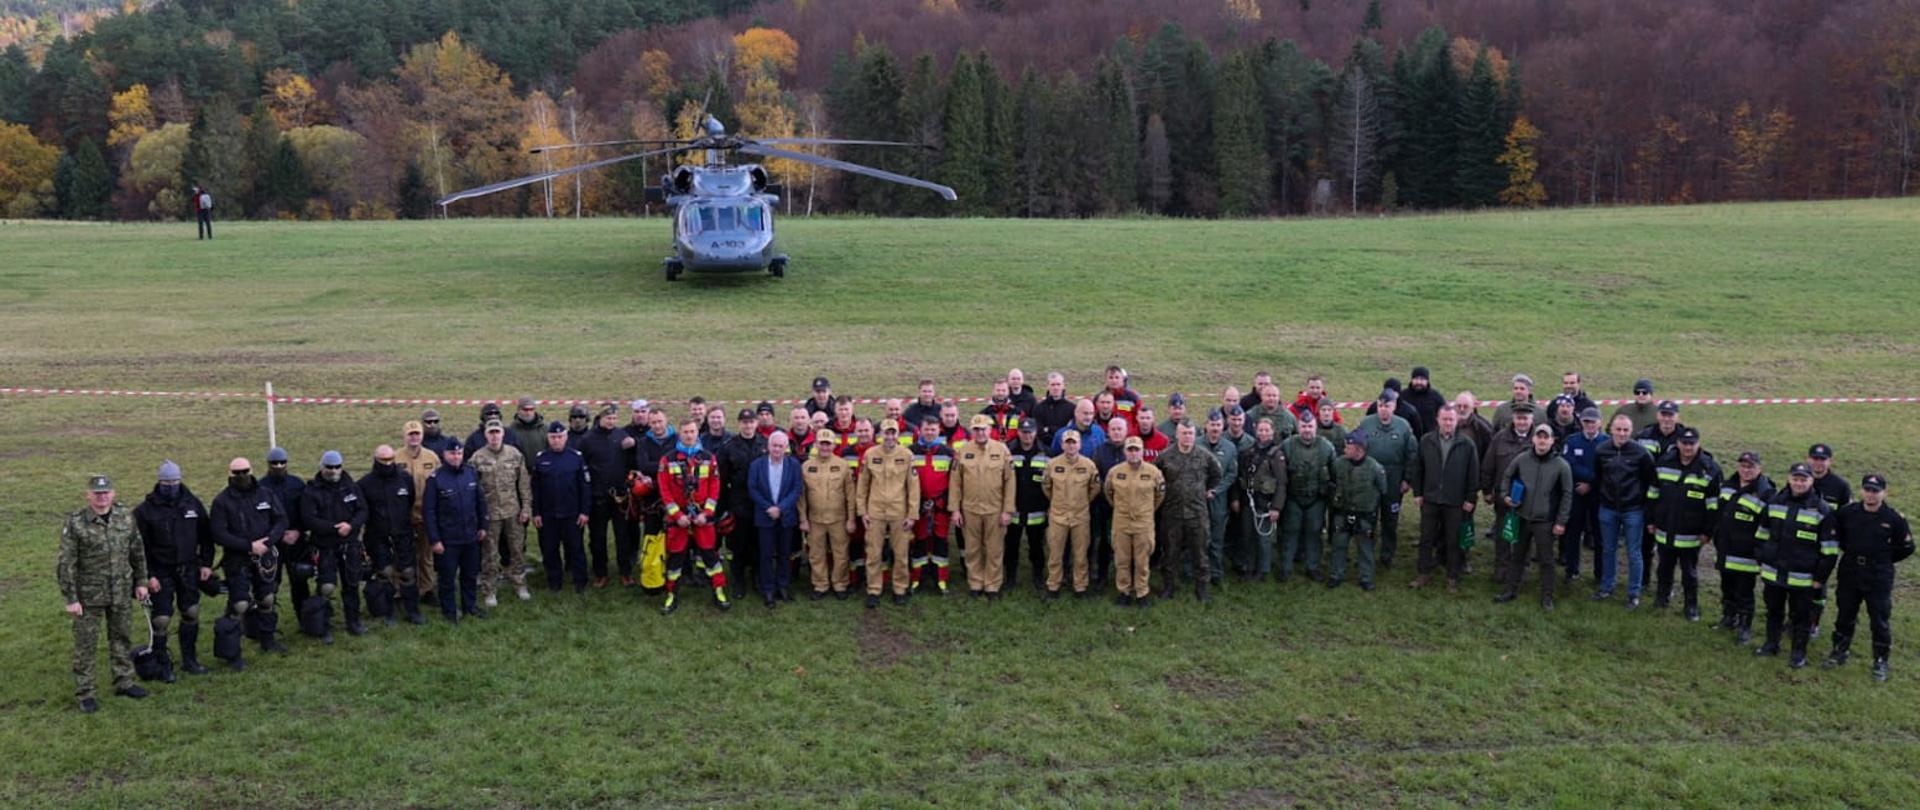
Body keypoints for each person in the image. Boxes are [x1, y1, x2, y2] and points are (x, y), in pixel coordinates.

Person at [59, 474, 153, 712]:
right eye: (97, 493)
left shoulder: (124, 516)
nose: (102, 497)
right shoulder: (76, 522)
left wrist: (141, 581)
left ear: (113, 493)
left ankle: (124, 681)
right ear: (88, 495)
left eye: (106, 492)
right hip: (88, 595)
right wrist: (71, 598)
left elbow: (137, 550)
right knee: (86, 645)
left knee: (121, 638)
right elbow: (66, 563)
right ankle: (85, 692)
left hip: (121, 590)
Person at [1825, 474, 1912, 681]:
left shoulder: (1894, 518)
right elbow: (1838, 536)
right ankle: (1839, 651)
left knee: (1879, 619)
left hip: (1878, 574)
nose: (1871, 494)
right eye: (1867, 489)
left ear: (1884, 493)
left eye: (1875, 490)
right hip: (1850, 570)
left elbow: (1907, 548)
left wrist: (1883, 560)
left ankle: (1880, 661)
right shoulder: (1848, 512)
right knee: (1845, 613)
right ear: (1862, 490)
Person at [133, 461, 213, 679]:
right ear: (159, 482)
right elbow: (137, 548)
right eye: (167, 482)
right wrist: (147, 576)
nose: (171, 485)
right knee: (161, 620)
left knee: (191, 612)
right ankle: (161, 664)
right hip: (159, 571)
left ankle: (190, 660)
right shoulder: (144, 511)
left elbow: (206, 535)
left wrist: (206, 563)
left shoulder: (193, 504)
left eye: (175, 481)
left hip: (188, 568)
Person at [1753, 463, 1837, 669]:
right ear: (1789, 479)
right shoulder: (1774, 502)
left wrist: (1819, 579)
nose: (1799, 483)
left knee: (1801, 617)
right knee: (1773, 611)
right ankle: (1771, 644)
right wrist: (1762, 559)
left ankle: (1798, 653)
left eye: (1803, 479)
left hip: (1804, 577)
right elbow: (1761, 534)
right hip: (1774, 573)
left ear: (1811, 481)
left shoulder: (1821, 509)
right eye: (1795, 479)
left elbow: (1829, 550)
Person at [210, 457, 290, 665]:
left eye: (245, 471)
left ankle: (268, 640)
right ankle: (231, 652)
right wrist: (248, 546)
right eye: (237, 473)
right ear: (230, 474)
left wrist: (269, 542)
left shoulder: (266, 494)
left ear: (251, 470)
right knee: (240, 604)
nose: (241, 476)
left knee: (267, 599)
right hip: (237, 559)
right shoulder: (222, 501)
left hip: (265, 557)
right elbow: (219, 533)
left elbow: (281, 520)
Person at [1647, 427, 1723, 620]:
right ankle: (1662, 598)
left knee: (1689, 573)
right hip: (1664, 529)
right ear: (1678, 443)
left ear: (1698, 444)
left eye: (1692, 443)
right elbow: (1653, 494)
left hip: (1691, 534)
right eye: (1684, 443)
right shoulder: (1663, 463)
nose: (1688, 447)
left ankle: (1691, 606)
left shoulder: (1710, 470)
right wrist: (1650, 520)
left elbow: (1713, 507)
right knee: (1664, 567)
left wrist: (1708, 532)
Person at [1495, 424, 1573, 608]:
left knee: (1546, 560)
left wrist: (1561, 522)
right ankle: (1511, 590)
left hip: (1545, 521)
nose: (1542, 441)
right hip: (1522, 517)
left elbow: (1567, 494)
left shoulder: (1562, 465)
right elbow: (1507, 476)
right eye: (1539, 437)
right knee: (1518, 556)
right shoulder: (1521, 459)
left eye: (1546, 437)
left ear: (1552, 440)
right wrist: (1505, 496)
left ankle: (1547, 596)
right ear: (1533, 439)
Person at [663, 419, 734, 614]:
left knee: (710, 555)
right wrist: (677, 515)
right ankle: (671, 594)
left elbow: (715, 488)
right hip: (679, 518)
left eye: (692, 431)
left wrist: (707, 513)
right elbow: (665, 491)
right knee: (675, 558)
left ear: (697, 433)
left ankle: (718, 591)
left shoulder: (709, 458)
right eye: (685, 432)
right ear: (680, 434)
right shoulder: (667, 460)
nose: (689, 435)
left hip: (703, 517)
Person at [299, 450, 368, 642]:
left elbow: (363, 510)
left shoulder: (351, 487)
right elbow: (308, 518)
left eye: (337, 466)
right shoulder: (312, 491)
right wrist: (333, 528)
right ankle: (324, 625)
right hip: (324, 545)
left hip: (350, 544)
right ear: (322, 467)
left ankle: (353, 621)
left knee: (352, 583)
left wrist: (351, 526)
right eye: (329, 467)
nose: (333, 470)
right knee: (326, 587)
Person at [1409, 406, 1479, 593]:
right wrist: (1418, 493)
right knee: (1426, 538)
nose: (1448, 423)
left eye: (1451, 420)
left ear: (1457, 422)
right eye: (1444, 419)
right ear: (1438, 420)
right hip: (1430, 499)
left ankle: (1452, 577)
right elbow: (1418, 469)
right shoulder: (1426, 441)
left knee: (1453, 540)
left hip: (1455, 501)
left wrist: (1471, 498)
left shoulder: (1467, 444)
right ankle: (1423, 574)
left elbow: (1473, 474)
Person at [1594, 414, 1657, 607]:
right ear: (1611, 429)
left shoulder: (1641, 453)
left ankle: (1633, 593)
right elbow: (1598, 477)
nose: (1621, 433)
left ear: (1631, 432)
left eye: (1625, 430)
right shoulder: (1601, 451)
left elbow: (1650, 481)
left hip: (1633, 510)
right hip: (1608, 509)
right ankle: (1606, 587)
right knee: (1608, 550)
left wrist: (1643, 506)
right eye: (1618, 429)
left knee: (1634, 553)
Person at [1712, 451, 1774, 645]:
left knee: (1745, 593)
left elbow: (1767, 526)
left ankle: (1745, 627)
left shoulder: (1766, 492)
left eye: (1751, 467)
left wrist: (1759, 552)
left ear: (1759, 468)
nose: (1746, 470)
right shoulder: (1728, 485)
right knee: (1726, 587)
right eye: (1743, 466)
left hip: (1747, 554)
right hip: (1725, 548)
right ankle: (1728, 618)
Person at [1156, 422, 1223, 602]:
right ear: (1177, 435)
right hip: (1172, 513)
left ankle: (1201, 588)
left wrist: (1207, 490)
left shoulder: (1204, 456)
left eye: (1191, 433)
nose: (1188, 437)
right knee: (1170, 553)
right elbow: (1156, 477)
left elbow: (1217, 474)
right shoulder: (1165, 456)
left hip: (1197, 513)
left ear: (1195, 435)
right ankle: (1168, 587)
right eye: (1184, 433)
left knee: (1200, 553)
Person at [950, 415, 1015, 598]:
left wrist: (1007, 510)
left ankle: (993, 585)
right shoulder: (963, 451)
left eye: (983, 429)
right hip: (970, 510)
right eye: (976, 429)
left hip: (995, 509)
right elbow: (955, 483)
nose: (980, 433)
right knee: (972, 549)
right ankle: (975, 583)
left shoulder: (1001, 450)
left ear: (990, 429)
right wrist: (955, 509)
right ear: (971, 431)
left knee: (994, 550)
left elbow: (1010, 482)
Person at [857, 420, 920, 608]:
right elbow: (862, 485)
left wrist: (912, 515)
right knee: (873, 553)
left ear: (898, 435)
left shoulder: (907, 455)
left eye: (893, 433)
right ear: (880, 435)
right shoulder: (870, 454)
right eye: (887, 433)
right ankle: (873, 590)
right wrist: (862, 511)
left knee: (900, 554)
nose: (890, 437)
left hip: (899, 512)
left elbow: (913, 488)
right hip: (875, 511)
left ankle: (900, 588)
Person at [424, 439, 487, 623]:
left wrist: (483, 526)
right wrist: (435, 540)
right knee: (447, 578)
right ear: (445, 455)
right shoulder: (435, 479)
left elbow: (480, 503)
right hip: (448, 540)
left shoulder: (471, 474)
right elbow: (429, 512)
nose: (456, 457)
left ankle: (470, 606)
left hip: (470, 537)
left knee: (470, 575)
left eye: (459, 453)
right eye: (452, 453)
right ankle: (449, 611)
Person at [470, 421, 532, 605]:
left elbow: (524, 485)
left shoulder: (514, 454)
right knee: (490, 554)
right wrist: (477, 517)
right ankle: (489, 590)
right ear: (486, 435)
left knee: (516, 550)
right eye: (491, 433)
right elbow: (472, 489)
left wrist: (526, 508)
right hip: (490, 515)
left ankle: (519, 584)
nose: (495, 436)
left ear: (503, 434)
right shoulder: (477, 458)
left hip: (513, 511)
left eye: (498, 432)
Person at [362, 444, 425, 624]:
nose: (388, 463)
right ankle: (387, 611)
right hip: (377, 535)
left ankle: (412, 610)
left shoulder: (404, 478)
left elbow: (411, 500)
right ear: (376, 460)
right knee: (385, 573)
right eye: (383, 460)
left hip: (403, 532)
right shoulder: (366, 483)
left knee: (408, 572)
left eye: (391, 459)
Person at [578, 404, 636, 588]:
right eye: (608, 418)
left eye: (614, 419)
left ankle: (625, 572)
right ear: (600, 418)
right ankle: (600, 573)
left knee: (623, 537)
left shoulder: (622, 435)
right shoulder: (587, 439)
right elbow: (582, 467)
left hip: (619, 497)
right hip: (598, 497)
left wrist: (634, 445)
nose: (611, 422)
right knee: (597, 538)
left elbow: (632, 462)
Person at [1358, 390, 1416, 570]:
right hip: (1371, 477)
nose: (1383, 410)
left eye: (1388, 406)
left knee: (1390, 519)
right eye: (1381, 405)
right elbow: (1358, 449)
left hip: (1394, 477)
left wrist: (1407, 479)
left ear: (1395, 406)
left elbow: (1412, 454)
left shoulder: (1403, 426)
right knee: (1369, 517)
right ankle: (1366, 553)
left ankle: (1387, 554)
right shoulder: (1366, 423)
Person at [1479, 402, 1535, 586]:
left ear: (1531, 419)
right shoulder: (1500, 438)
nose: (1522, 422)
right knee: (1503, 535)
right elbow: (1488, 465)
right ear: (1513, 418)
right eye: (1519, 418)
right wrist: (1487, 490)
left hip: (1529, 500)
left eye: (1525, 418)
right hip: (1503, 496)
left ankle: (1521, 570)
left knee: (1525, 536)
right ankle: (1501, 570)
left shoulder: (1540, 438)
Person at [1105, 436, 1165, 606]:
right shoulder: (1115, 471)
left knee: (1142, 560)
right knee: (1121, 559)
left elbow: (1159, 495)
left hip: (1143, 522)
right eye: (1130, 449)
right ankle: (1123, 591)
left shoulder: (1153, 472)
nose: (1133, 453)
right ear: (1125, 451)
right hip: (1121, 521)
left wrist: (1146, 511)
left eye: (1136, 450)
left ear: (1142, 452)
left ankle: (1141, 592)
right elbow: (1109, 493)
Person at [531, 422, 590, 594]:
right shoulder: (541, 459)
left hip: (572, 513)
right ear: (548, 438)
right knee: (550, 549)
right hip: (548, 515)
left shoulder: (576, 457)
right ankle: (554, 581)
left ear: (566, 437)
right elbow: (536, 489)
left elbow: (584, 487)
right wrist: (536, 512)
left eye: (560, 437)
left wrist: (584, 511)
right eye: (553, 437)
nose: (556, 440)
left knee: (576, 548)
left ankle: (580, 581)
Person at [1042, 429, 1100, 598]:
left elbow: (1095, 488)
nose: (1071, 446)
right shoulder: (1052, 464)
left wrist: (1082, 502)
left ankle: (1080, 586)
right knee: (1055, 553)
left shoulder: (1088, 465)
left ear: (1080, 445)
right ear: (1062, 444)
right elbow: (1046, 487)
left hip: (1080, 516)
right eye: (1067, 442)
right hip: (1058, 515)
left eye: (1074, 442)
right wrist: (1057, 503)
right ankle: (1053, 585)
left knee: (1080, 554)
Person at [1328, 432, 1389, 591]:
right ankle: (1336, 574)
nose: (1344, 449)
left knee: (1365, 548)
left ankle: (1366, 577)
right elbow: (1332, 481)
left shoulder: (1375, 468)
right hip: (1342, 511)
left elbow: (1383, 489)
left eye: (1348, 447)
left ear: (1359, 449)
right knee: (1339, 544)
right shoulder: (1338, 464)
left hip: (1365, 514)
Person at [800, 429, 856, 600]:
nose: (824, 447)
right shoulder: (807, 466)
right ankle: (820, 585)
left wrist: (851, 519)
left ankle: (840, 584)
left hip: (838, 519)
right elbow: (801, 496)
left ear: (833, 445)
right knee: (816, 554)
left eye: (828, 443)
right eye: (821, 443)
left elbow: (850, 495)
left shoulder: (843, 465)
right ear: (816, 444)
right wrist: (803, 519)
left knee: (841, 554)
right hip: (815, 519)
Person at [1280, 413, 1335, 582]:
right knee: (1290, 532)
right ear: (1298, 427)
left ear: (1315, 427)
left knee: (1314, 533)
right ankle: (1285, 568)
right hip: (1293, 498)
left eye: (1310, 426)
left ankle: (1313, 567)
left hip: (1316, 499)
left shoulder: (1326, 447)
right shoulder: (1287, 445)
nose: (1307, 430)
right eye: (1303, 427)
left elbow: (1334, 474)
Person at [1805, 442, 1851, 638]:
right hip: (1800, 542)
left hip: (1824, 546)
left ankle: (1813, 623)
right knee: (1797, 584)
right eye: (1815, 459)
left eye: (1822, 460)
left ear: (1829, 461)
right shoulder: (1801, 478)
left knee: (1818, 585)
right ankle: (1795, 620)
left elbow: (1846, 517)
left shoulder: (1840, 486)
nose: (1818, 463)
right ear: (1808, 459)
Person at [908, 417, 957, 595]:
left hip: (940, 506)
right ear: (920, 430)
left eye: (933, 429)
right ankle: (916, 578)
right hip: (918, 505)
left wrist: (949, 504)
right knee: (919, 541)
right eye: (926, 429)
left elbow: (955, 482)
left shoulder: (948, 453)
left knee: (940, 542)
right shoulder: (910, 452)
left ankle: (941, 579)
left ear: (939, 431)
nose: (930, 433)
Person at [1561, 408, 1607, 584]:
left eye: (1593, 422)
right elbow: (1569, 465)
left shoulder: (1606, 442)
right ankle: (1571, 570)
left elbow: (1606, 469)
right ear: (1581, 423)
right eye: (1586, 421)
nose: (1589, 425)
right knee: (1573, 532)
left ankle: (1600, 573)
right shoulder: (1572, 441)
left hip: (1598, 494)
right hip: (1577, 493)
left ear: (1600, 423)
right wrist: (1589, 480)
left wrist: (1590, 483)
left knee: (1599, 534)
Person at [1004, 421, 1051, 591]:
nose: (1027, 436)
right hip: (1013, 508)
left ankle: (1038, 577)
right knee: (1011, 546)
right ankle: (1010, 578)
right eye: (1024, 432)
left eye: (1030, 432)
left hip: (1037, 508)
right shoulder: (1008, 451)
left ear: (1036, 432)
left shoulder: (1046, 452)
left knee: (1036, 546)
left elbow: (1051, 482)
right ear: (1018, 432)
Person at [718, 409, 761, 594]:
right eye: (744, 422)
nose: (748, 425)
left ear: (756, 423)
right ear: (739, 424)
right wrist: (726, 507)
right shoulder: (729, 447)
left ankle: (757, 578)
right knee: (738, 545)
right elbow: (721, 480)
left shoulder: (765, 444)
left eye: (751, 422)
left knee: (758, 544)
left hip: (760, 503)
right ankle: (738, 581)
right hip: (738, 503)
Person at [260, 447, 309, 606]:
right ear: (268, 464)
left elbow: (306, 512)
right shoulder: (260, 488)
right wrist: (277, 535)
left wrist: (298, 531)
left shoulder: (297, 484)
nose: (279, 466)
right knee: (269, 584)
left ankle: (306, 619)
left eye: (282, 462)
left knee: (300, 580)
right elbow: (258, 518)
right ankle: (266, 625)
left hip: (296, 541)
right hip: (271, 543)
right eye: (275, 463)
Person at [1240, 419, 1287, 582]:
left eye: (1267, 430)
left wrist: (1276, 507)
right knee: (1248, 536)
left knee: (1263, 539)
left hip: (1266, 503)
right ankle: (1249, 567)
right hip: (1249, 501)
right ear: (1255, 431)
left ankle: (1264, 570)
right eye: (1261, 430)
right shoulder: (1249, 451)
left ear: (1272, 432)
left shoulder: (1277, 455)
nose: (1264, 433)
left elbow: (1281, 483)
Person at [397, 420, 441, 595]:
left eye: (417, 434)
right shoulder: (395, 457)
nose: (414, 437)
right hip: (403, 515)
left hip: (425, 514)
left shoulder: (432, 457)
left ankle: (426, 589)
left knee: (426, 556)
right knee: (403, 555)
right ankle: (401, 590)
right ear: (404, 436)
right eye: (411, 434)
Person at [1198, 410, 1240, 586]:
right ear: (1206, 425)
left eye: (1218, 425)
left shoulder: (1230, 447)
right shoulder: (1196, 444)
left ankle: (1216, 573)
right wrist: (1200, 490)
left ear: (1222, 425)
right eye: (1212, 424)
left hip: (1218, 499)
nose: (1215, 428)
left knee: (1216, 539)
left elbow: (1232, 474)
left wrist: (1216, 490)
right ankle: (1196, 571)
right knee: (1197, 537)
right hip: (1197, 499)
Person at [1031, 373, 1076, 449]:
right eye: (1053, 385)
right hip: (1044, 448)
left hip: (1066, 448)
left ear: (1063, 386)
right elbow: (1039, 431)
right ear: (1047, 386)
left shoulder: (1072, 409)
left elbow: (1071, 431)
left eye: (1058, 384)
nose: (1056, 388)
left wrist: (1049, 429)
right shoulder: (1039, 408)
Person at [1401, 367, 1448, 438]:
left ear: (1427, 381)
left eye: (1422, 379)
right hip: (1407, 437)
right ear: (1412, 380)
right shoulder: (1403, 396)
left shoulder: (1436, 397)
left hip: (1430, 439)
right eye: (1416, 379)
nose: (1419, 382)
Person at [1102, 365, 1143, 434]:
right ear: (1106, 379)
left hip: (1128, 436)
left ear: (1123, 379)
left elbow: (1140, 419)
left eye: (1117, 377)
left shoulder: (1133, 397)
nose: (1114, 380)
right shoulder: (1100, 398)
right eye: (1111, 377)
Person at [1453, 392, 1493, 460]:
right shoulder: (1446, 424)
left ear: (1472, 408)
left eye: (1465, 406)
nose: (1461, 409)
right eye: (1459, 406)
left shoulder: (1482, 428)